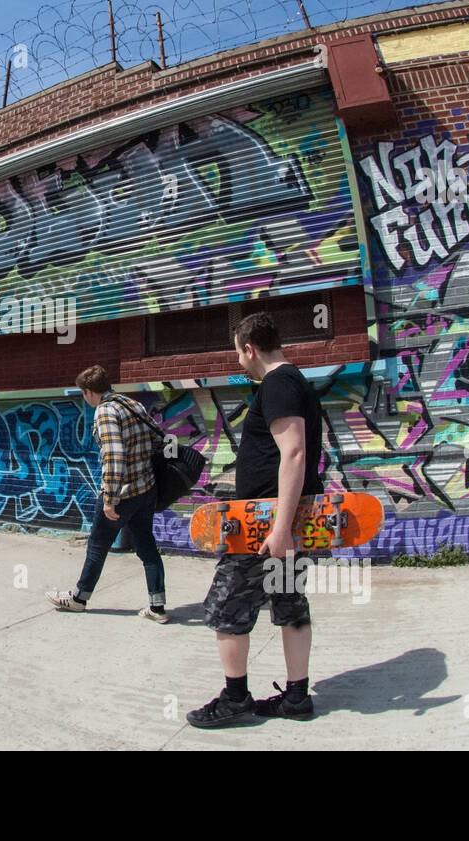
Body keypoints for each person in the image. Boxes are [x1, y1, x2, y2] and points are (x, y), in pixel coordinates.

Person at [187, 311, 324, 729]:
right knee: (290, 604)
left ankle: (236, 699)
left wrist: (280, 530)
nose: (239, 363)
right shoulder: (296, 381)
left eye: (238, 354)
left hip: (264, 526)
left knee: (226, 609)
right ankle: (297, 698)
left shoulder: (278, 383)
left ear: (249, 348)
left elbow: (295, 452)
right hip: (284, 520)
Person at [45, 364, 167, 623]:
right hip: (146, 488)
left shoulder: (105, 411)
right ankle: (157, 606)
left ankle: (78, 598)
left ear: (89, 391)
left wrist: (110, 500)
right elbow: (158, 438)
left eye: (83, 393)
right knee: (146, 545)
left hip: (122, 493)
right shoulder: (132, 405)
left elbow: (113, 456)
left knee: (97, 545)